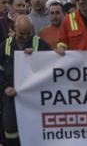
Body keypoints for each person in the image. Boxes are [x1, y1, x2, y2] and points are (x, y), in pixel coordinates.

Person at [0, 16, 50, 146]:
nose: (25, 36)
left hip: (33, 98)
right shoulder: (5, 45)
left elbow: (51, 69)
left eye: (29, 32)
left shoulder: (41, 44)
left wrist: (36, 58)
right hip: (10, 96)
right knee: (10, 129)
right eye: (22, 33)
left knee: (34, 129)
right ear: (13, 29)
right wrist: (4, 87)